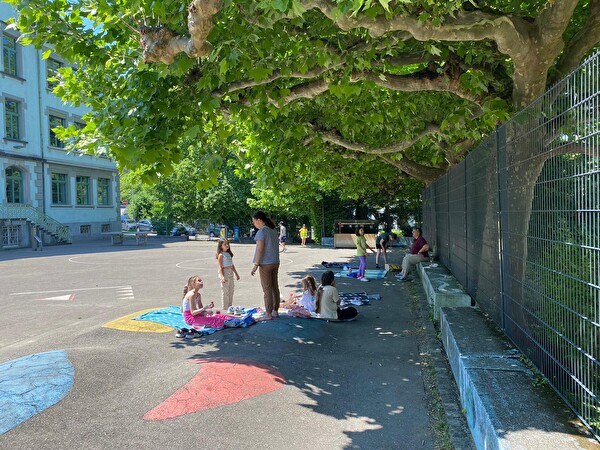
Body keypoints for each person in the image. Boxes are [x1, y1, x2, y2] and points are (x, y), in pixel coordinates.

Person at [251, 211, 281, 321]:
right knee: (274, 286)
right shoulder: (272, 229)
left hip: (265, 263)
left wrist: (256, 264)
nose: (254, 224)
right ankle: (275, 311)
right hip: (275, 262)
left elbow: (260, 249)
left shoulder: (262, 232)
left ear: (259, 220)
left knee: (267, 289)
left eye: (254, 221)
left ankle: (268, 313)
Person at [216, 238, 240, 310]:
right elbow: (220, 267)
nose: (227, 245)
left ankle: (230, 306)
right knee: (225, 291)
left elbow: (232, 265)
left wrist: (236, 274)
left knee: (231, 290)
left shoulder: (229, 254)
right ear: (221, 246)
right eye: (225, 244)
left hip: (230, 273)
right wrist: (222, 276)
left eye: (228, 244)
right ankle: (225, 308)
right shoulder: (221, 255)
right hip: (225, 273)